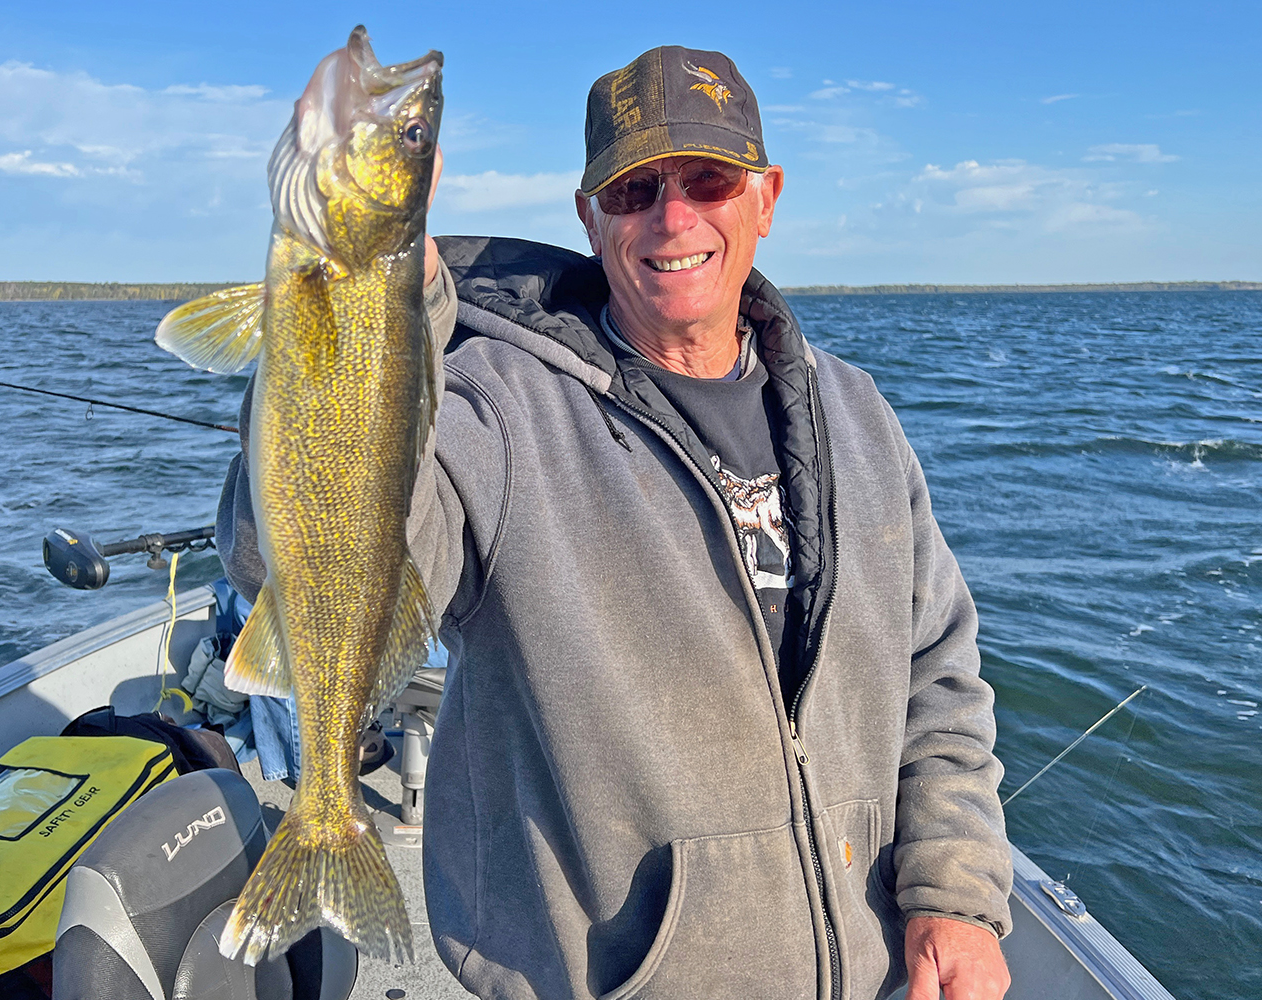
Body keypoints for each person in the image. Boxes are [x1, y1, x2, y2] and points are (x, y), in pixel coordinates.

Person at [218, 44, 1013, 1000]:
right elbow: (331, 565)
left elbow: (939, 672)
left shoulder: (859, 416)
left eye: (709, 180)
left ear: (765, 197)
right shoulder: (493, 408)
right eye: (634, 191)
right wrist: (380, 324)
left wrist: (954, 893)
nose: (674, 217)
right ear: (590, 220)